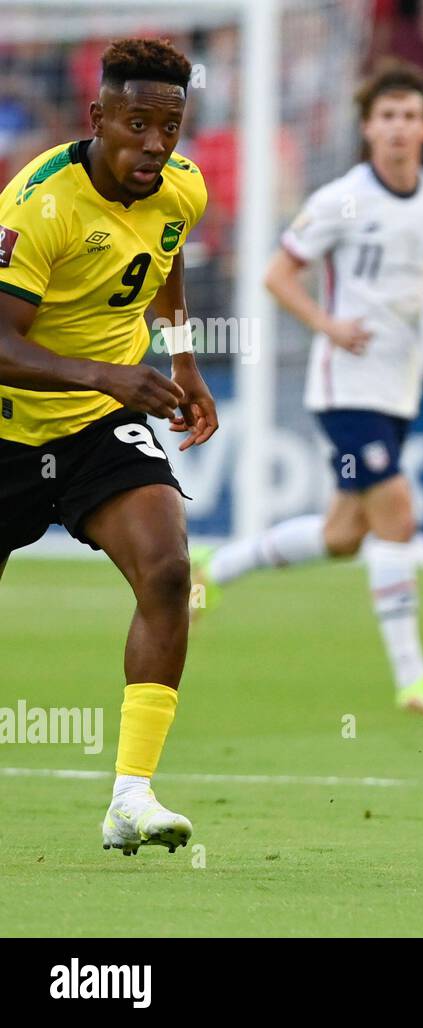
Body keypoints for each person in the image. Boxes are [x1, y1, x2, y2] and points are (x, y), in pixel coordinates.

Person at [195, 60, 423, 716]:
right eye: (387, 117)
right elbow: (277, 274)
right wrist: (328, 324)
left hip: (398, 383)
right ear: (367, 128)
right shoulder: (341, 199)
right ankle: (413, 676)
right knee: (397, 515)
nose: (399, 128)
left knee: (344, 534)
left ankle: (216, 566)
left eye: (410, 116)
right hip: (344, 383)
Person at [0, 38, 217, 854]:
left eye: (171, 126)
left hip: (96, 423)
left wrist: (184, 360)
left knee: (167, 569)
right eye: (138, 125)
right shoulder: (37, 206)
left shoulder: (178, 188)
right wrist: (108, 375)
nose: (156, 146)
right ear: (98, 118)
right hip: (8, 423)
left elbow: (165, 259)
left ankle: (132, 795)